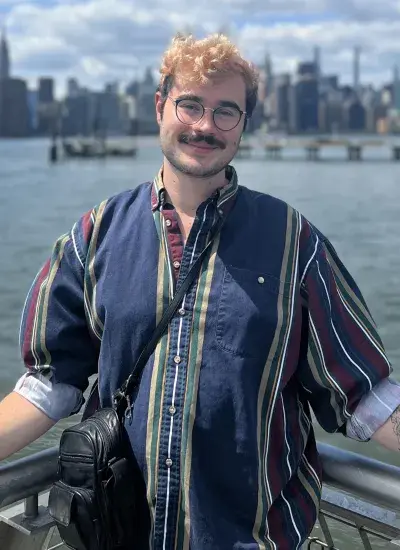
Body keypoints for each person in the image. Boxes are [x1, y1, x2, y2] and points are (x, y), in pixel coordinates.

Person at [1, 33, 400, 549]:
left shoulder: (293, 242)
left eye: (225, 112)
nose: (205, 125)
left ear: (244, 126)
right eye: (190, 104)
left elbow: (365, 393)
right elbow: (48, 385)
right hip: (124, 535)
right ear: (160, 106)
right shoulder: (95, 236)